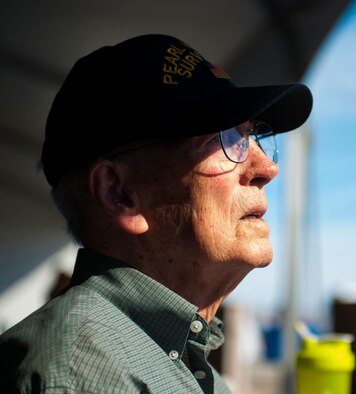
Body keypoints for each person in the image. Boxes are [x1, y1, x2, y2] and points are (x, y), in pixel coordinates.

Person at [0, 34, 312, 393]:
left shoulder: (176, 362)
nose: (267, 167)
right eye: (225, 138)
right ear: (120, 193)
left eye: (252, 136)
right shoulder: (80, 376)